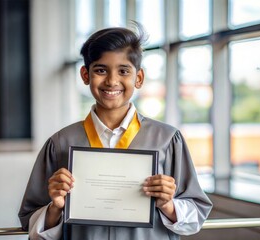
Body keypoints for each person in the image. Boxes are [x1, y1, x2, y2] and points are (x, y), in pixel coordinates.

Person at [18, 22, 212, 240]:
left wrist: (168, 205)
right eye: (100, 70)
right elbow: (30, 223)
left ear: (138, 78)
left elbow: (196, 216)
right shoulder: (60, 143)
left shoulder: (167, 140)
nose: (111, 81)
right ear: (85, 75)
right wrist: (56, 207)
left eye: (123, 71)